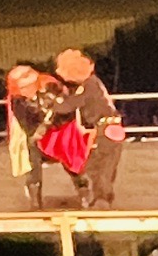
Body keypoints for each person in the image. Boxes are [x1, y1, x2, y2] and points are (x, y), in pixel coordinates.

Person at [54, 49, 127, 207]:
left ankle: (101, 199)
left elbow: (70, 105)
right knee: (99, 165)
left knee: (99, 166)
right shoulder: (92, 83)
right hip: (108, 128)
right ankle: (102, 198)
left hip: (105, 129)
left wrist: (53, 104)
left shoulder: (89, 85)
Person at [4, 65, 66, 209]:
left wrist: (46, 125)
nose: (27, 89)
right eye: (23, 87)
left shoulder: (50, 87)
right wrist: (35, 133)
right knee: (31, 151)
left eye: (29, 85)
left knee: (72, 154)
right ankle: (35, 201)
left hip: (59, 131)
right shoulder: (17, 100)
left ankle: (84, 193)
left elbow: (62, 109)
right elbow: (25, 123)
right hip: (36, 135)